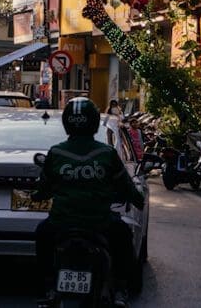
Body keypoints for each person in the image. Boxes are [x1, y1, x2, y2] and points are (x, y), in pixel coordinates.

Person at [33, 97, 144, 308]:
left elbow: (43, 190)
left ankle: (45, 288)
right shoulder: (106, 153)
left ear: (67, 123)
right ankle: (121, 289)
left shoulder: (56, 153)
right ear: (93, 123)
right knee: (123, 237)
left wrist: (36, 197)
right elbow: (127, 187)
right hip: (100, 223)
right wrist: (138, 200)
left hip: (61, 224)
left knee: (41, 235)